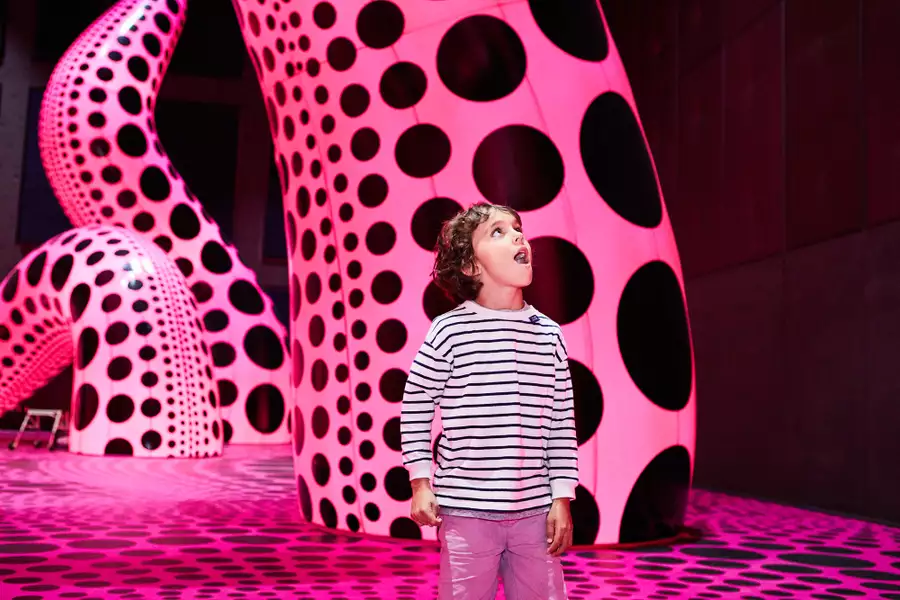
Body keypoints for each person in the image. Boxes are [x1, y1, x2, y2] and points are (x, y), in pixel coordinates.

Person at [400, 202, 579, 600]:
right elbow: (416, 406)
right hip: (465, 512)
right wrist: (420, 482)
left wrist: (561, 497)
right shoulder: (448, 331)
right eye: (497, 232)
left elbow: (562, 424)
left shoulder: (549, 334)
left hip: (535, 514)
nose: (518, 236)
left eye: (517, 229)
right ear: (470, 266)